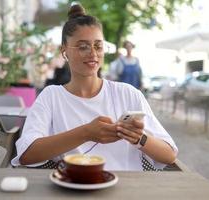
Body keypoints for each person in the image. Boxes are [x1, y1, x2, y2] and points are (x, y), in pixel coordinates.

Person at [11, 4, 177, 171]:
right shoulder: (51, 96)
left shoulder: (128, 94)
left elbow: (169, 155)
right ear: (64, 51)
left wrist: (138, 138)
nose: (93, 53)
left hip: (127, 190)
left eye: (98, 45)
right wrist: (86, 133)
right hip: (73, 188)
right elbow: (27, 155)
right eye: (83, 46)